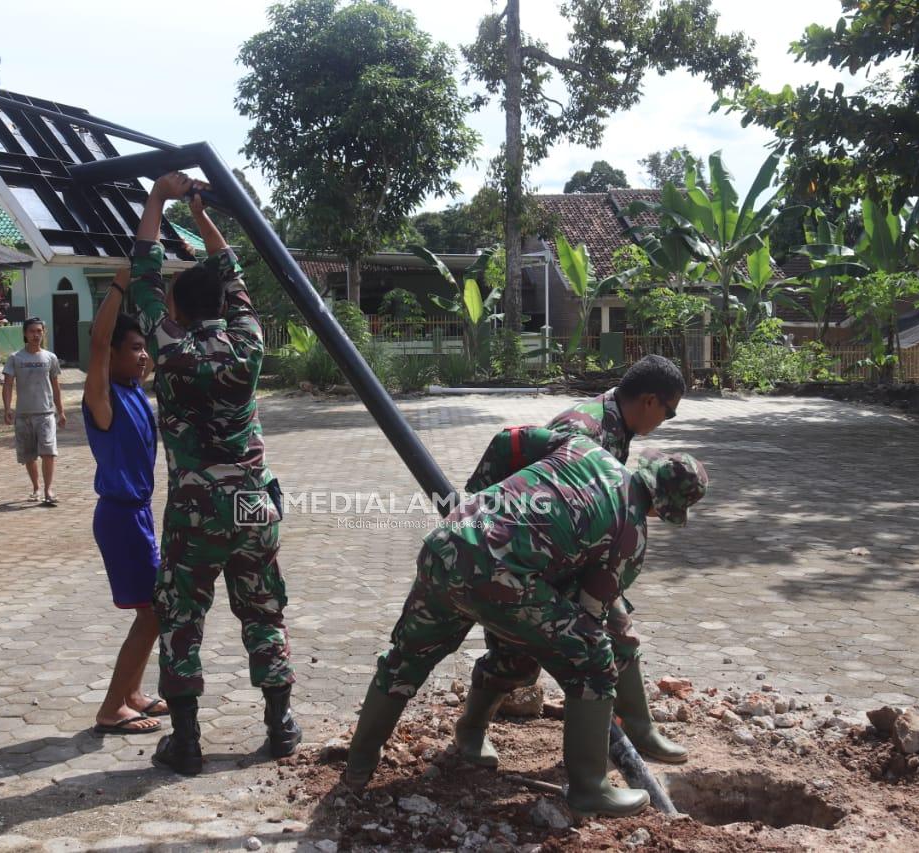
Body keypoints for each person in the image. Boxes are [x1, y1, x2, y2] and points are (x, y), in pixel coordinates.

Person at [345, 437, 707, 817]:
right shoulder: (630, 537)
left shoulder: (583, 448)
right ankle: (590, 788)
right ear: (664, 507)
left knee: (406, 658)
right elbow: (591, 615)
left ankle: (358, 767)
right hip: (502, 580)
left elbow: (508, 441)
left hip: (448, 540)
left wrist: (480, 497)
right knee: (594, 658)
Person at [127, 172, 301, 775]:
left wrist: (156, 199)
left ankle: (188, 742)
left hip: (196, 508)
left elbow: (144, 271)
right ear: (224, 306)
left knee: (182, 619)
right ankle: (280, 726)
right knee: (262, 609)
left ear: (174, 307)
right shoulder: (248, 343)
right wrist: (201, 216)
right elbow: (234, 273)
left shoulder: (167, 345)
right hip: (254, 503)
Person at [462, 353, 690, 764]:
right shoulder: (584, 428)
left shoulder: (617, 428)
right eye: (669, 413)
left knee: (617, 629)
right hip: (527, 555)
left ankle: (637, 726)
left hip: (569, 554)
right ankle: (471, 731)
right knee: (518, 655)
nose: (664, 422)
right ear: (651, 401)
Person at [82, 272, 170, 735]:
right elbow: (97, 343)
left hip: (139, 513)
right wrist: (117, 286)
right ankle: (111, 707)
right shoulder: (103, 398)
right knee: (153, 611)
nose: (141, 356)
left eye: (143, 348)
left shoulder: (135, 388)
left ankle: (133, 694)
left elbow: (151, 357)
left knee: (148, 611)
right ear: (111, 355)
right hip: (120, 516)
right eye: (131, 348)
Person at [2, 317, 65, 505]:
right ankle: (36, 487)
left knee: (48, 452)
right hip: (23, 415)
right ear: (25, 333)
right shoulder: (15, 358)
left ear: (43, 333)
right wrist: (7, 408)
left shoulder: (50, 358)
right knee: (29, 455)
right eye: (32, 331)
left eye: (39, 331)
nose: (36, 335)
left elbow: (56, 386)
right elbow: (7, 385)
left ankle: (48, 491)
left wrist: (61, 411)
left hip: (46, 414)